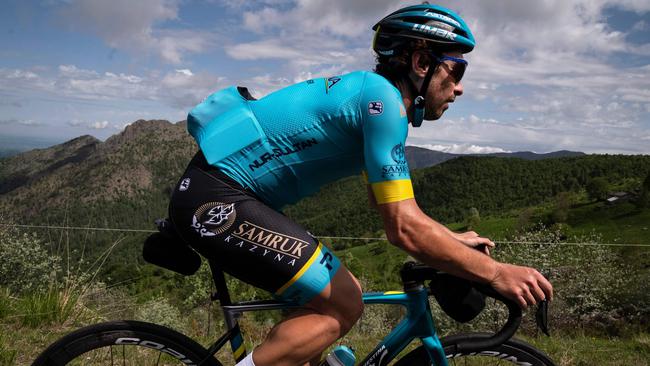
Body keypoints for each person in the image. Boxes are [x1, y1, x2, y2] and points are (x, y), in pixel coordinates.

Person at [168, 4, 553, 366]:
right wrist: (497, 273)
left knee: (313, 337)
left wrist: (450, 239)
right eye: (457, 71)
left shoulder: (375, 99)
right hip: (217, 201)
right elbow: (402, 228)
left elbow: (390, 207)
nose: (460, 87)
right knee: (344, 302)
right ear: (421, 62)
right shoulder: (383, 103)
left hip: (226, 195)